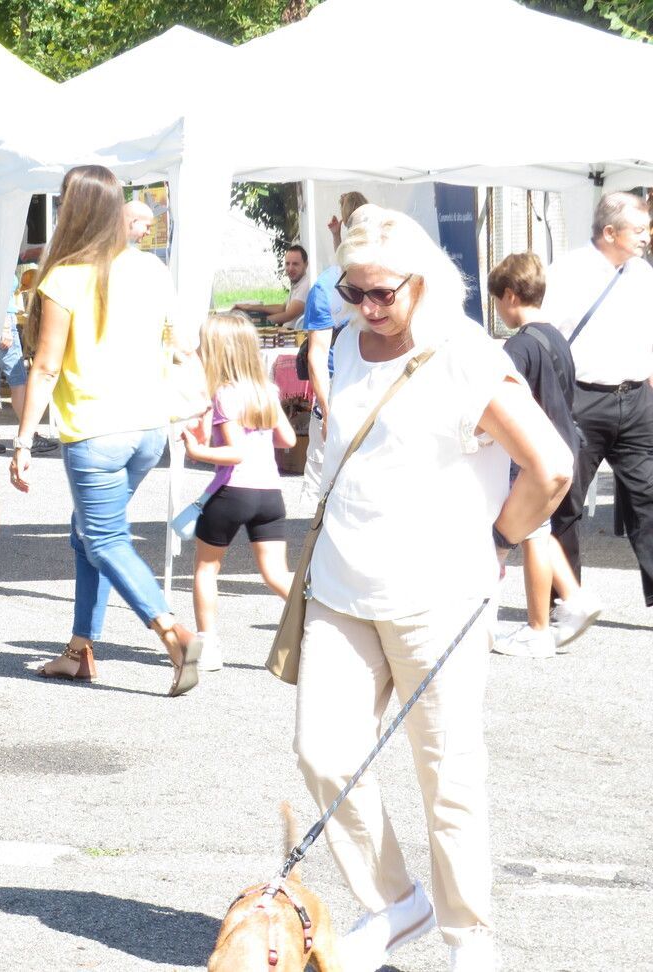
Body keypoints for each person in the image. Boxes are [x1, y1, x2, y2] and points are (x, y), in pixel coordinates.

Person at [293, 207, 573, 972]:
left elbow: (550, 468)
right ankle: (395, 901)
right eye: (351, 292)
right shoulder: (348, 343)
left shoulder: (467, 357)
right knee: (322, 753)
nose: (366, 308)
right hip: (341, 589)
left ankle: (468, 938)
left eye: (382, 292)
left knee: (447, 775)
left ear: (423, 283)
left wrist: (495, 542)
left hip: (438, 598)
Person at [10, 163, 203, 696]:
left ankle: (172, 634)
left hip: (96, 429)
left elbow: (45, 367)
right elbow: (177, 342)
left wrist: (23, 439)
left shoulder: (64, 277)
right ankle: (79, 650)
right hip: (148, 429)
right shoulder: (151, 270)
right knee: (85, 534)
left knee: (103, 537)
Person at [542, 190, 653, 611]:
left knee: (649, 498)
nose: (646, 237)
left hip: (636, 399)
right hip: (582, 402)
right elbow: (546, 338)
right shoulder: (567, 271)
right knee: (566, 501)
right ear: (610, 231)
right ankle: (562, 600)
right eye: (638, 230)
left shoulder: (643, 274)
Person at [488, 252, 601, 657]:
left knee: (532, 532)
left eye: (498, 300)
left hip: (531, 455)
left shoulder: (516, 349)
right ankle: (572, 596)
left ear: (511, 295)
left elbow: (501, 403)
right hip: (566, 444)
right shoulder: (557, 338)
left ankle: (537, 628)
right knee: (543, 529)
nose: (499, 309)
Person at [182, 312, 296, 672]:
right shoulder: (267, 391)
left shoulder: (223, 395)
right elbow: (289, 440)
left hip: (232, 491)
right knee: (277, 574)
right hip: (269, 494)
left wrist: (197, 452)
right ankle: (318, 624)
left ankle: (209, 644)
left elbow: (235, 453)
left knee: (205, 569)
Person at [300, 193, 370, 501]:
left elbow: (317, 353)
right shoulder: (330, 285)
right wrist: (327, 411)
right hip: (342, 396)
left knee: (327, 490)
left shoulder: (328, 284)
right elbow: (317, 355)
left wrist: (326, 411)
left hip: (355, 397)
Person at [235, 245, 310, 325]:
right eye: (287, 264)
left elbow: (288, 315)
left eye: (295, 264)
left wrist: (256, 322)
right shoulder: (298, 283)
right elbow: (283, 309)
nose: (290, 268)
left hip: (294, 336)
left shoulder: (306, 285)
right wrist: (250, 307)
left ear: (306, 265)